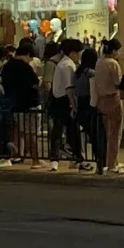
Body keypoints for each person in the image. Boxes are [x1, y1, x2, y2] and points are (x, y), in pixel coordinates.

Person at [49, 39, 91, 172]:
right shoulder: (68, 65)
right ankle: (77, 159)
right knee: (72, 132)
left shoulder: (62, 63)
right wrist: (73, 105)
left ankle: (61, 159)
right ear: (72, 52)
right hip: (64, 101)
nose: (79, 55)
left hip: (57, 100)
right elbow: (69, 88)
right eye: (78, 52)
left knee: (59, 131)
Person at [0, 38, 43, 164]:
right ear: (28, 55)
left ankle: (17, 155)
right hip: (28, 103)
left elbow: (4, 83)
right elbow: (35, 83)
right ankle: (35, 160)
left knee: (20, 132)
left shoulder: (7, 66)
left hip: (14, 104)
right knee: (31, 133)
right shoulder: (25, 67)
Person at [93, 39, 124, 175]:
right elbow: (118, 83)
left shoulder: (99, 62)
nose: (119, 53)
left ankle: (112, 161)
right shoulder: (113, 64)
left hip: (101, 100)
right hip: (113, 99)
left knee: (107, 132)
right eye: (118, 50)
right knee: (115, 133)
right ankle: (112, 164)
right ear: (113, 50)